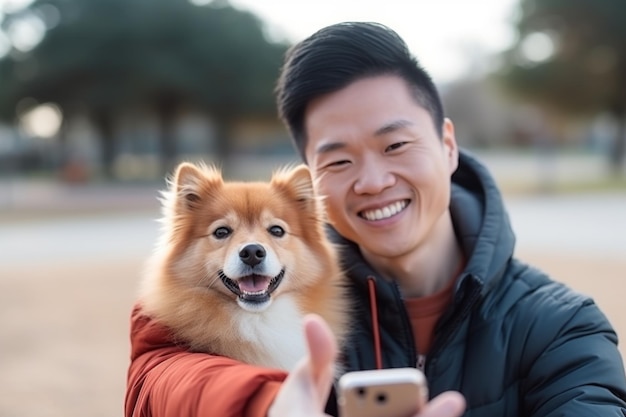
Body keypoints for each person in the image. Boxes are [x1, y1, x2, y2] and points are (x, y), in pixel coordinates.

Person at [125, 21, 626, 417]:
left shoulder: (563, 328)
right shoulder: (268, 304)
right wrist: (265, 402)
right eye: (339, 161)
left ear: (448, 145)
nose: (372, 180)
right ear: (314, 184)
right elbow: (157, 377)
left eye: (395, 145)